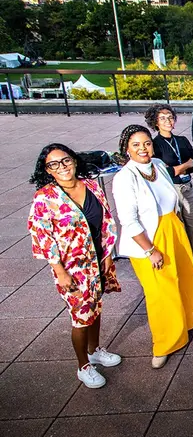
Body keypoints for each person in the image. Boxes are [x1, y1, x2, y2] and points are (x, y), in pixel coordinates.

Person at [28, 144, 122, 388]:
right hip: (72, 267)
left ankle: (95, 351)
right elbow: (42, 237)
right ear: (47, 170)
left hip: (98, 259)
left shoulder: (90, 186)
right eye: (54, 164)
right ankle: (83, 365)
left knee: (96, 307)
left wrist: (108, 254)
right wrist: (60, 272)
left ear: (75, 161)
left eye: (66, 160)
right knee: (81, 316)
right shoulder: (45, 197)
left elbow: (106, 221)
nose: (63, 167)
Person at [112, 125, 193, 369]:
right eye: (136, 145)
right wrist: (150, 250)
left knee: (185, 279)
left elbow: (170, 198)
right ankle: (164, 343)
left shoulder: (159, 165)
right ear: (126, 149)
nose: (143, 149)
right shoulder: (124, 178)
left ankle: (185, 324)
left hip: (173, 226)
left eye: (147, 143)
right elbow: (128, 220)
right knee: (160, 293)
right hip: (148, 238)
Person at [145, 104, 193, 273]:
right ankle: (187, 263)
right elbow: (163, 173)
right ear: (155, 122)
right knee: (180, 230)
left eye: (170, 117)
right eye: (162, 118)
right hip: (170, 191)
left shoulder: (182, 141)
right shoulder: (155, 145)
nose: (167, 121)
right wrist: (183, 166)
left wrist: (178, 168)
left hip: (187, 188)